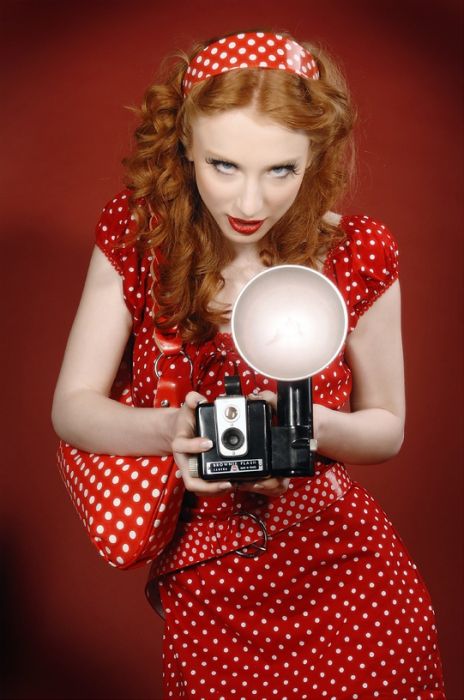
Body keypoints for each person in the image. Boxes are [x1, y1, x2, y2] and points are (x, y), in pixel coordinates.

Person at [52, 30, 445, 699]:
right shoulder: (137, 236)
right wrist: (174, 432)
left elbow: (387, 426)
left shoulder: (360, 252)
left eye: (280, 171)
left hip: (343, 569)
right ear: (185, 148)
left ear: (314, 157)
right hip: (208, 576)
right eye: (224, 166)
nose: (250, 204)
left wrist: (305, 425)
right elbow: (72, 408)